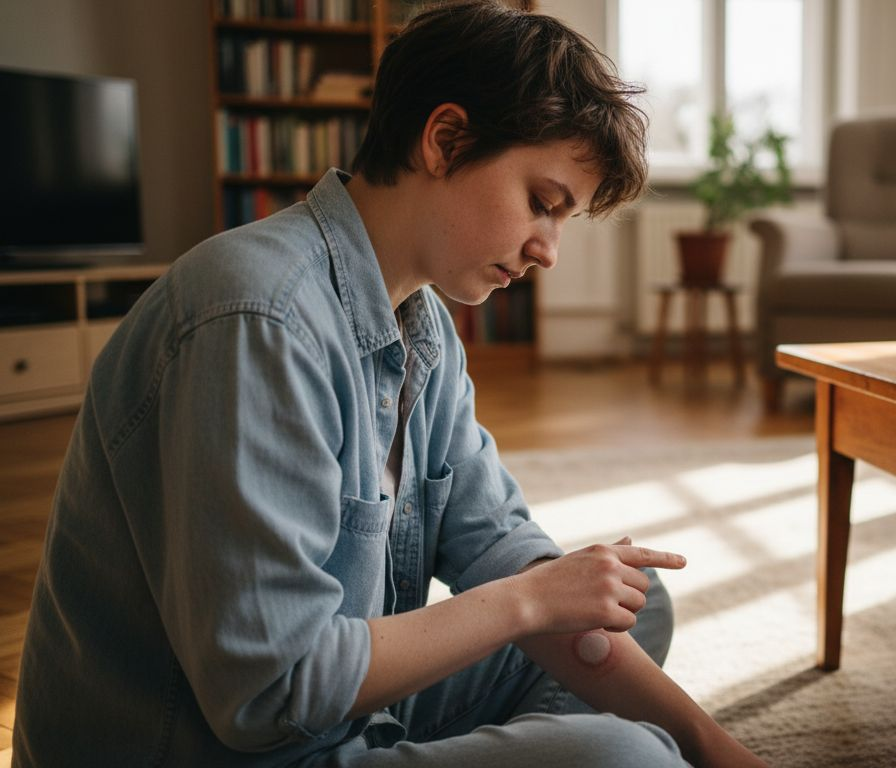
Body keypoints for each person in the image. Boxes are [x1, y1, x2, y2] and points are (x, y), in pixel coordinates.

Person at [13, 3, 765, 766]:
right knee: (625, 755)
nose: (548, 250)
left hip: (339, 718)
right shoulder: (256, 319)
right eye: (542, 203)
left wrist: (714, 745)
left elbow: (500, 544)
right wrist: (530, 603)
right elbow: (268, 691)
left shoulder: (422, 327)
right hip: (210, 746)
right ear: (445, 140)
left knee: (626, 610)